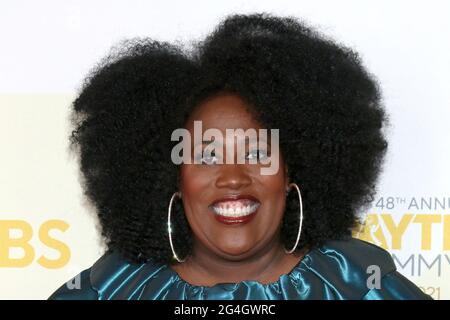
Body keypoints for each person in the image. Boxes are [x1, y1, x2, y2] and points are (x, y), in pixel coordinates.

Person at [49, 13, 431, 300]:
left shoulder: (357, 286)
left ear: (293, 169)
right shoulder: (114, 291)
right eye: (206, 155)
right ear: (171, 179)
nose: (233, 177)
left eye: (258, 152)